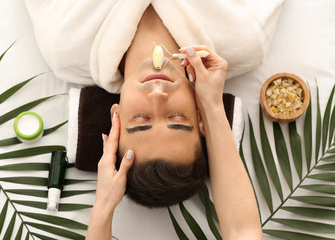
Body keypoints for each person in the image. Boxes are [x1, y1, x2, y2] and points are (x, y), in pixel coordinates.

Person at [86, 6, 262, 239]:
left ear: (115, 118)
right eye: (177, 118)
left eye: (140, 120)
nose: (157, 97)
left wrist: (104, 206)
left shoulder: (63, 39)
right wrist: (212, 105)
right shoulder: (243, 36)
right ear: (200, 117)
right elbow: (243, 231)